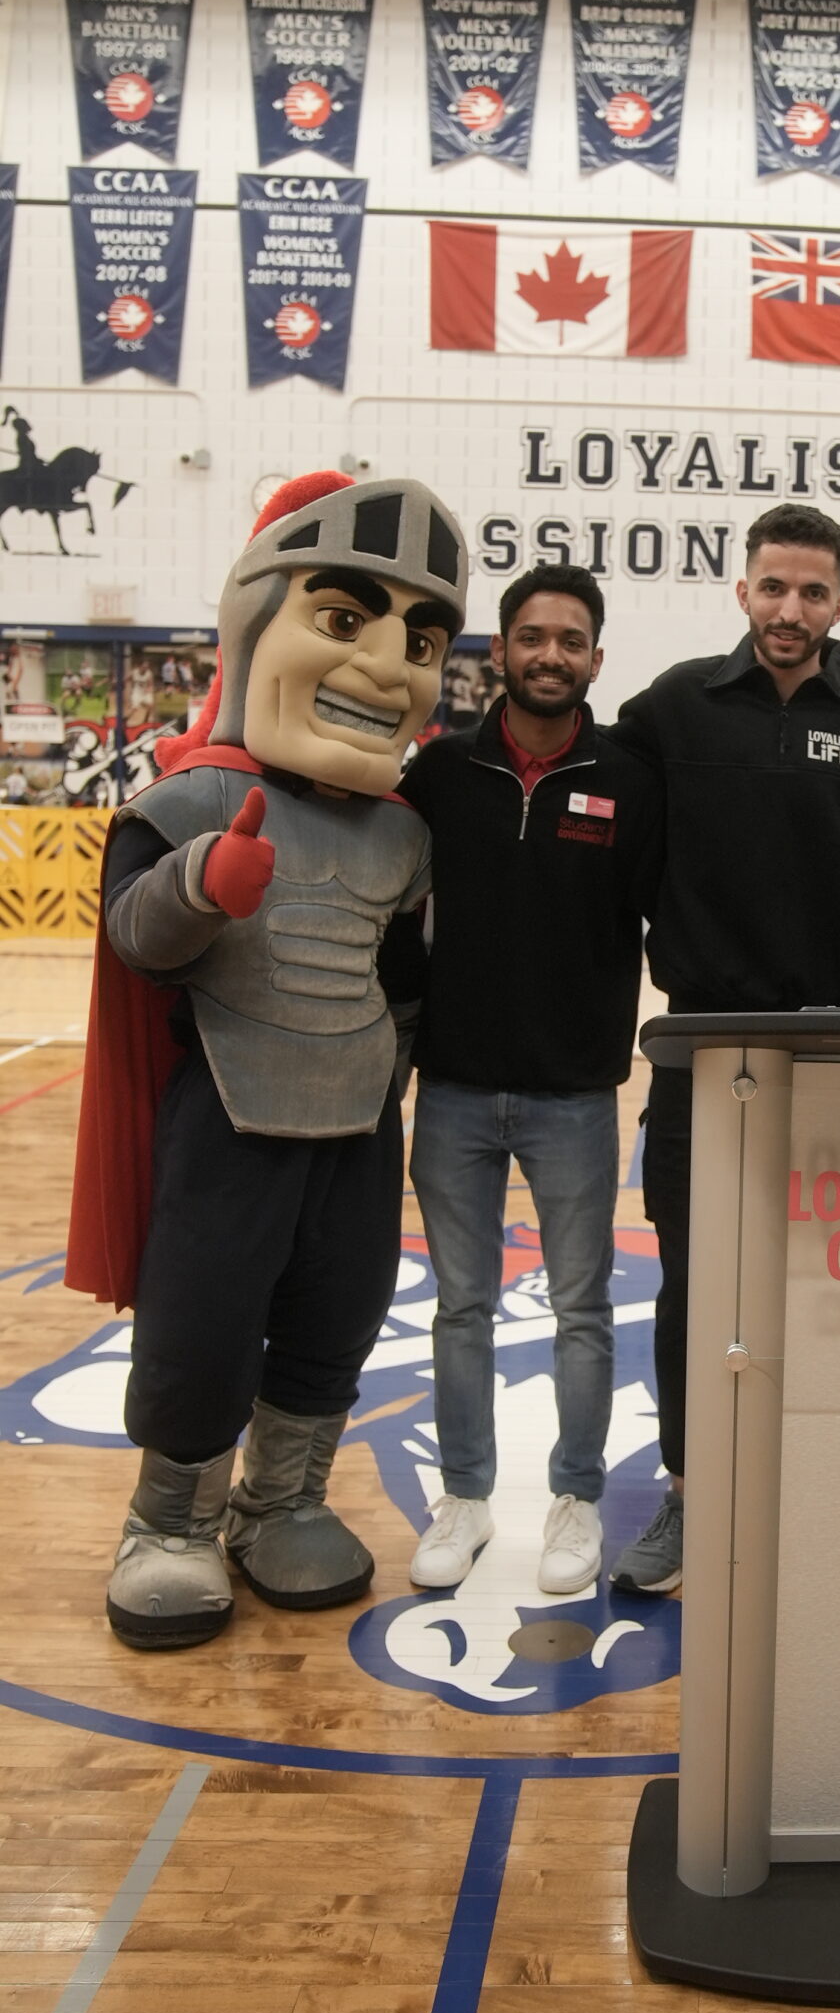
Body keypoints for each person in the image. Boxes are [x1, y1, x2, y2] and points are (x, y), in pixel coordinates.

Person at [66, 471, 468, 1649]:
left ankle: (281, 1497)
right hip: (229, 1118)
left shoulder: (402, 833)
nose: (388, 666)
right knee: (203, 1318)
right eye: (344, 621)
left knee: (337, 1315)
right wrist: (200, 886)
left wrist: (400, 1066)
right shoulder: (189, 803)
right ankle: (169, 1524)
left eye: (421, 639)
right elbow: (135, 945)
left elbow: (405, 982)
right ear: (254, 624)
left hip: (354, 1127)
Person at [607, 501, 840, 1594]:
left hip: (834, 1055)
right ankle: (686, 1489)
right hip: (698, 1050)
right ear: (742, 589)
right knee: (692, 1285)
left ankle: (812, 1483)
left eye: (813, 592)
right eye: (773, 586)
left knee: (822, 1286)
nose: (790, 609)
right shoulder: (674, 707)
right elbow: (589, 792)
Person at [396, 566, 662, 1595]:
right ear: (500, 651)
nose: (552, 654)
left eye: (572, 639)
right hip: (453, 1084)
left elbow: (667, 913)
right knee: (459, 1306)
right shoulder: (438, 776)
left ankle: (576, 1500)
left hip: (574, 1095)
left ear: (596, 658)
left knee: (582, 1310)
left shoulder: (631, 779)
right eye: (533, 636)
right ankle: (463, 1498)